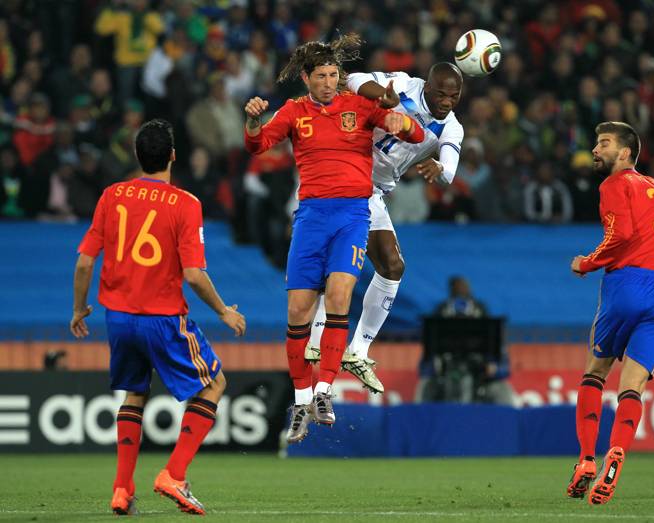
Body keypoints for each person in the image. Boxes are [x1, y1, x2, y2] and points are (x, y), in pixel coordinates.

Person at [244, 34, 424, 444]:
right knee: (298, 311)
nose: (329, 82)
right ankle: (301, 401)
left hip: (351, 216)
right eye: (321, 76)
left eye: (334, 75)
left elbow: (412, 134)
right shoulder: (293, 112)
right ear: (306, 78)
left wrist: (402, 121)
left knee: (341, 295)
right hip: (310, 218)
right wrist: (254, 121)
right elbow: (257, 145)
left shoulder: (360, 106)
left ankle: (324, 392)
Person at [70, 119, 246, 516]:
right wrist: (223, 311)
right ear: (172, 156)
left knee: (135, 393)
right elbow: (194, 275)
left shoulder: (111, 195)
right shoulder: (185, 203)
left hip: (118, 318)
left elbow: (84, 263)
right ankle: (175, 474)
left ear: (136, 156)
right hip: (162, 318)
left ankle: (121, 489)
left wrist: (80, 308)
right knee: (214, 383)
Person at [306, 63, 464, 394]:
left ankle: (358, 351)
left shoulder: (451, 127)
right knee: (340, 260)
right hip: (344, 169)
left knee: (393, 267)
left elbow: (449, 168)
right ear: (428, 86)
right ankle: (316, 340)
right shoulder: (404, 85)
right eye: (441, 94)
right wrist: (385, 98)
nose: (447, 102)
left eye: (454, 96)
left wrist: (440, 167)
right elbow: (355, 78)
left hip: (372, 191)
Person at [567, 121, 654, 505]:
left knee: (594, 373)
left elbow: (618, 237)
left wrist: (587, 263)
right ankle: (617, 453)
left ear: (625, 153)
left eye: (603, 143)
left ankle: (587, 461)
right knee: (633, 386)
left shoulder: (614, 184)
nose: (595, 149)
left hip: (628, 285)